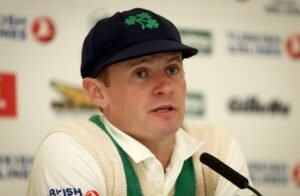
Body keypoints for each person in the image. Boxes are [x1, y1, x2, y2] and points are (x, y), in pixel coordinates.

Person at [27, 8, 253, 196]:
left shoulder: (216, 147)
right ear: (97, 93)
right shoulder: (72, 149)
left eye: (172, 69)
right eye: (141, 73)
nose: (165, 87)